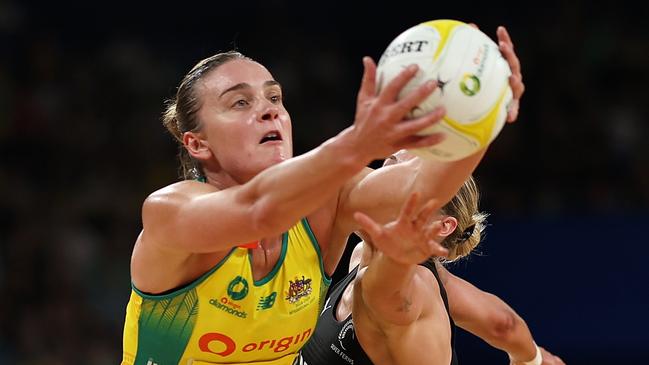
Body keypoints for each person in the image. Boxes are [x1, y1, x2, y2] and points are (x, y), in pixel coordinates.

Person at [121, 24, 523, 365]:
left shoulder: (327, 203)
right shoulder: (169, 213)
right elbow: (259, 210)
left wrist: (482, 112)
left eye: (274, 97)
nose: (269, 110)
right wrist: (359, 143)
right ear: (197, 144)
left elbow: (421, 188)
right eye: (240, 102)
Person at [297, 155, 565, 365]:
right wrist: (534, 358)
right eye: (385, 171)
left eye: (404, 178)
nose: (376, 183)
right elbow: (502, 323)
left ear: (442, 225)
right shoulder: (364, 255)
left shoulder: (410, 291)